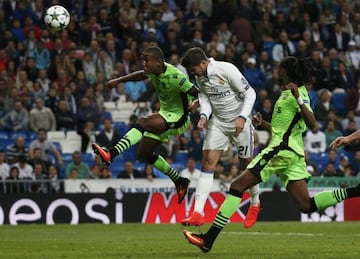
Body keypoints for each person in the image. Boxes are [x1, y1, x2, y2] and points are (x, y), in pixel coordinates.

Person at [183, 56, 360, 253]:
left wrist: (298, 98)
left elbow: (312, 124)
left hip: (281, 151)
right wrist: (263, 125)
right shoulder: (284, 95)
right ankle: (356, 191)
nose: (277, 73)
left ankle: (208, 239)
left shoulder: (298, 93)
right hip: (291, 154)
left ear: (287, 72)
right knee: (307, 205)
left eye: (280, 70)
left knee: (237, 186)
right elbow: (281, 128)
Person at [92, 46, 199, 203]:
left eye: (146, 60)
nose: (143, 63)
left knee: (143, 121)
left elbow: (197, 92)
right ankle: (179, 181)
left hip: (179, 118)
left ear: (158, 62)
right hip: (165, 115)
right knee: (144, 154)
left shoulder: (176, 77)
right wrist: (118, 80)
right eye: (142, 60)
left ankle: (111, 153)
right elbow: (141, 75)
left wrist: (197, 103)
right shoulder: (153, 70)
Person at [180, 47, 260, 228]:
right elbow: (206, 99)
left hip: (239, 122)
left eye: (194, 69)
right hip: (218, 123)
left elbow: (250, 93)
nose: (193, 74)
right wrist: (203, 116)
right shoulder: (200, 77)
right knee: (208, 163)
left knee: (248, 166)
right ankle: (198, 213)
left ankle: (255, 203)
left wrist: (241, 117)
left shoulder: (226, 69)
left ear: (203, 62)